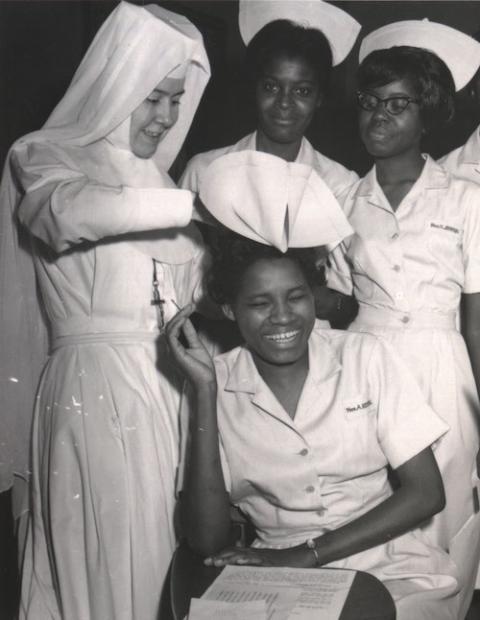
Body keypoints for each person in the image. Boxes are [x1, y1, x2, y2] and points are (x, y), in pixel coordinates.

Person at [167, 150, 459, 620]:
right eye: (260, 303)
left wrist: (305, 555)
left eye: (296, 296)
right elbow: (207, 541)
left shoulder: (363, 356)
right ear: (229, 311)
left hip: (389, 563)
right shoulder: (213, 382)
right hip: (273, 578)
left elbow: (426, 493)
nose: (283, 316)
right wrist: (203, 395)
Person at [0, 2, 210, 618]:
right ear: (116, 83)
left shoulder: (168, 185)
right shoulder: (43, 157)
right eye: (153, 98)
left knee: (171, 563)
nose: (166, 116)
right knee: (114, 564)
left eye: (176, 99)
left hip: (171, 395)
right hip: (91, 392)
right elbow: (62, 217)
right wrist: (191, 209)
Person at [326, 19, 480, 618]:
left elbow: (475, 317)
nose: (379, 117)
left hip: (444, 366)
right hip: (365, 366)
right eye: (370, 103)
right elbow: (340, 306)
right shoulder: (342, 202)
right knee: (373, 511)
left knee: (447, 520)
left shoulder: (466, 198)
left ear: (427, 113)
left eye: (397, 104)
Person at [181, 0, 361, 330]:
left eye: (302, 91)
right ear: (254, 87)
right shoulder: (204, 170)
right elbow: (180, 280)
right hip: (221, 344)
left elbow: (348, 299)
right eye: (271, 86)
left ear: (320, 97)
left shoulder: (341, 184)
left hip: (311, 350)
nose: (284, 104)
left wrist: (321, 299)